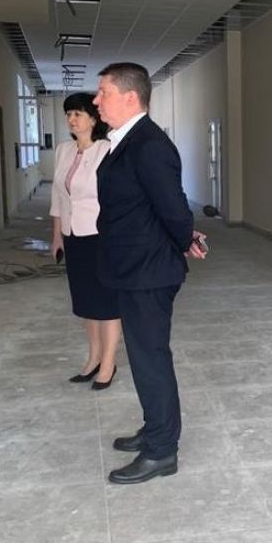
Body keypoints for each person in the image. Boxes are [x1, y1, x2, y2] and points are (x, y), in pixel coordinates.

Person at [92, 62, 205, 485]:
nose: (97, 100)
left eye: (103, 92)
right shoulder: (126, 141)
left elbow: (173, 208)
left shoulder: (149, 145)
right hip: (133, 267)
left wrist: (183, 238)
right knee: (143, 358)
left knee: (150, 358)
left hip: (149, 272)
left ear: (130, 97)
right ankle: (154, 427)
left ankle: (161, 451)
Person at [48, 92, 119, 390]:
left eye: (77, 113)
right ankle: (93, 358)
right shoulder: (63, 151)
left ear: (93, 118)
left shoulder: (107, 149)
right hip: (73, 236)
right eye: (68, 114)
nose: (71, 119)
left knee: (107, 303)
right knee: (86, 303)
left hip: (100, 236)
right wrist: (57, 236)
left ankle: (108, 363)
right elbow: (57, 197)